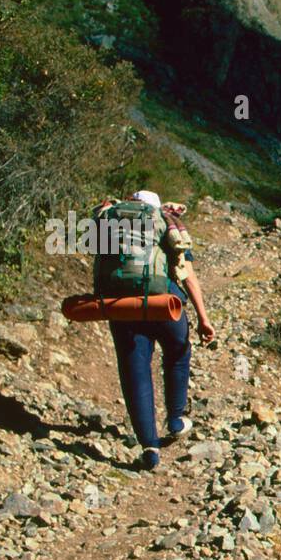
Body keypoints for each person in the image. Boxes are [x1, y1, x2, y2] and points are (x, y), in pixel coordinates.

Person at [91, 190, 216, 470]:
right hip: (164, 304)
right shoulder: (164, 222)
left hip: (121, 306)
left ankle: (149, 446)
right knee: (178, 352)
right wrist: (203, 318)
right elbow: (188, 275)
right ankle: (175, 419)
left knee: (135, 369)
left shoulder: (112, 222)